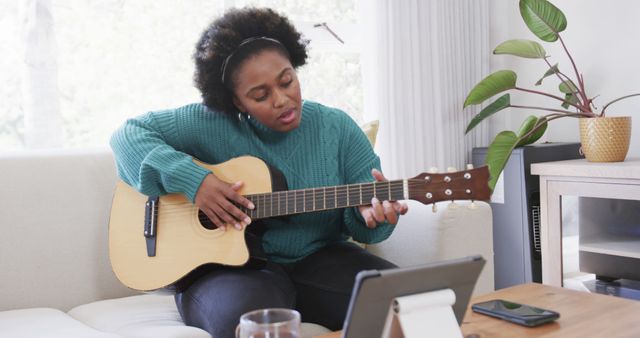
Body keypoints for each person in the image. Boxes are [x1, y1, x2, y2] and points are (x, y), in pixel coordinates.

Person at [110, 7, 408, 338]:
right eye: (260, 95)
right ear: (237, 102)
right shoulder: (209, 123)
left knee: (409, 304)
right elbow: (128, 134)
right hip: (227, 271)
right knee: (247, 324)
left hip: (318, 261)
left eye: (287, 81)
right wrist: (196, 182)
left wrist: (373, 218)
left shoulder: (335, 128)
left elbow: (366, 218)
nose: (283, 100)